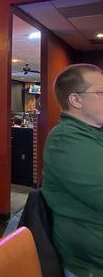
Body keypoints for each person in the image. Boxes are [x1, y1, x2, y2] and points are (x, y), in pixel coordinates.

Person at [42, 64, 103, 277]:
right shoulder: (65, 139)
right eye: (101, 92)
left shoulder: (93, 133)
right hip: (90, 266)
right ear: (76, 100)